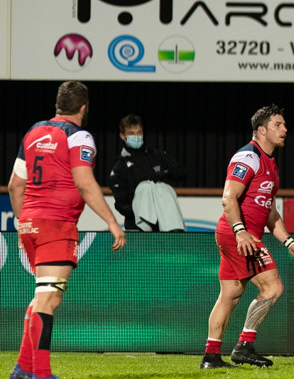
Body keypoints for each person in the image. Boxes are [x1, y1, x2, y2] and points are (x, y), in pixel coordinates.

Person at [8, 81, 126, 379]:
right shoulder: (78, 136)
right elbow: (84, 182)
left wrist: (23, 222)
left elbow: (15, 185)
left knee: (42, 296)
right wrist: (112, 222)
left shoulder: (33, 132)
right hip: (57, 225)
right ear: (84, 108)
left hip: (30, 224)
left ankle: (23, 368)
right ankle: (41, 373)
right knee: (49, 298)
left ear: (57, 105)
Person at [202, 104, 294, 369]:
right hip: (240, 236)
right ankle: (244, 347)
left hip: (239, 234)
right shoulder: (248, 156)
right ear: (261, 130)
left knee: (230, 295)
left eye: (284, 125)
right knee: (273, 287)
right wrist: (241, 232)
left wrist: (289, 242)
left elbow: (270, 213)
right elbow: (228, 197)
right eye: (278, 125)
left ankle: (211, 356)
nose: (285, 129)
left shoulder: (269, 162)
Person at [107, 113, 187, 232]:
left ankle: (174, 231)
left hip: (162, 227)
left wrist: (165, 174)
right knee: (144, 187)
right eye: (131, 133)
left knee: (162, 187)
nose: (136, 136)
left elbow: (182, 172)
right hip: (136, 227)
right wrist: (142, 208)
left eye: (139, 132)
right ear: (123, 136)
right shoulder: (119, 168)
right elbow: (121, 204)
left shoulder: (156, 156)